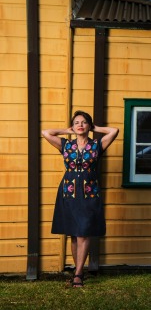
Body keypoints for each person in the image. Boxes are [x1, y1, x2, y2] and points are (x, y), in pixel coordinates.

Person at [42, 111, 119, 288]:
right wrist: (66, 130)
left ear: (89, 126)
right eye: (77, 122)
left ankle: (78, 274)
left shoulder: (97, 145)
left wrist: (96, 128)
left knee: (84, 231)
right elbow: (46, 132)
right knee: (74, 234)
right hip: (68, 191)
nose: (80, 125)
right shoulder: (66, 145)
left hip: (89, 192)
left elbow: (114, 131)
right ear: (73, 126)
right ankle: (78, 269)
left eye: (84, 122)